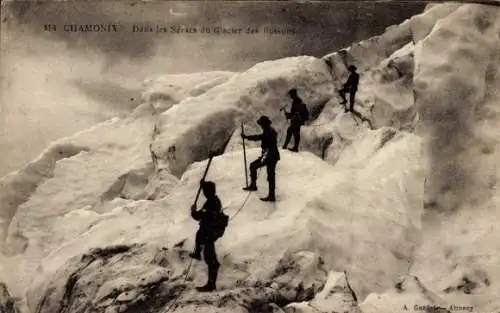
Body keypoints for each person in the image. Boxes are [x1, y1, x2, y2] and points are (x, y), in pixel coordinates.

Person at [190, 180, 227, 292]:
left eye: (205, 191)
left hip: (210, 233)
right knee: (199, 235)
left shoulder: (211, 202)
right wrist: (203, 184)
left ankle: (211, 284)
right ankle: (197, 252)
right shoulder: (214, 200)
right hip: (209, 231)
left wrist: (193, 212)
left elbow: (199, 216)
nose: (204, 193)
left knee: (210, 258)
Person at [241, 115, 280, 202]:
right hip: (268, 155)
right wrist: (247, 137)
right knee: (253, 166)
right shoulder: (267, 131)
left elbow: (270, 145)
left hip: (271, 157)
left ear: (265, 124)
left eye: (262, 124)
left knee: (270, 175)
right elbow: (259, 137)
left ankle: (271, 196)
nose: (261, 126)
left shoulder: (270, 132)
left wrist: (265, 157)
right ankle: (254, 186)